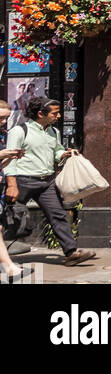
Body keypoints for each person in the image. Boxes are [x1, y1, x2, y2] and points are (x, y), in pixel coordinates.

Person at [3, 97, 95, 266]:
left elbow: (57, 152)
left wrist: (64, 154)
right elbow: (10, 160)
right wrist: (12, 185)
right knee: (8, 219)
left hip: (47, 182)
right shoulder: (19, 131)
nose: (59, 116)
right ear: (40, 114)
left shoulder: (54, 132)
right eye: (55, 113)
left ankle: (71, 253)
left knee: (58, 215)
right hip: (23, 181)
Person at [0, 100, 26, 279]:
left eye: (6, 118)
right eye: (1, 118)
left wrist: (11, 157)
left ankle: (8, 266)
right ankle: (8, 266)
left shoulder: (3, 135)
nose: (3, 122)